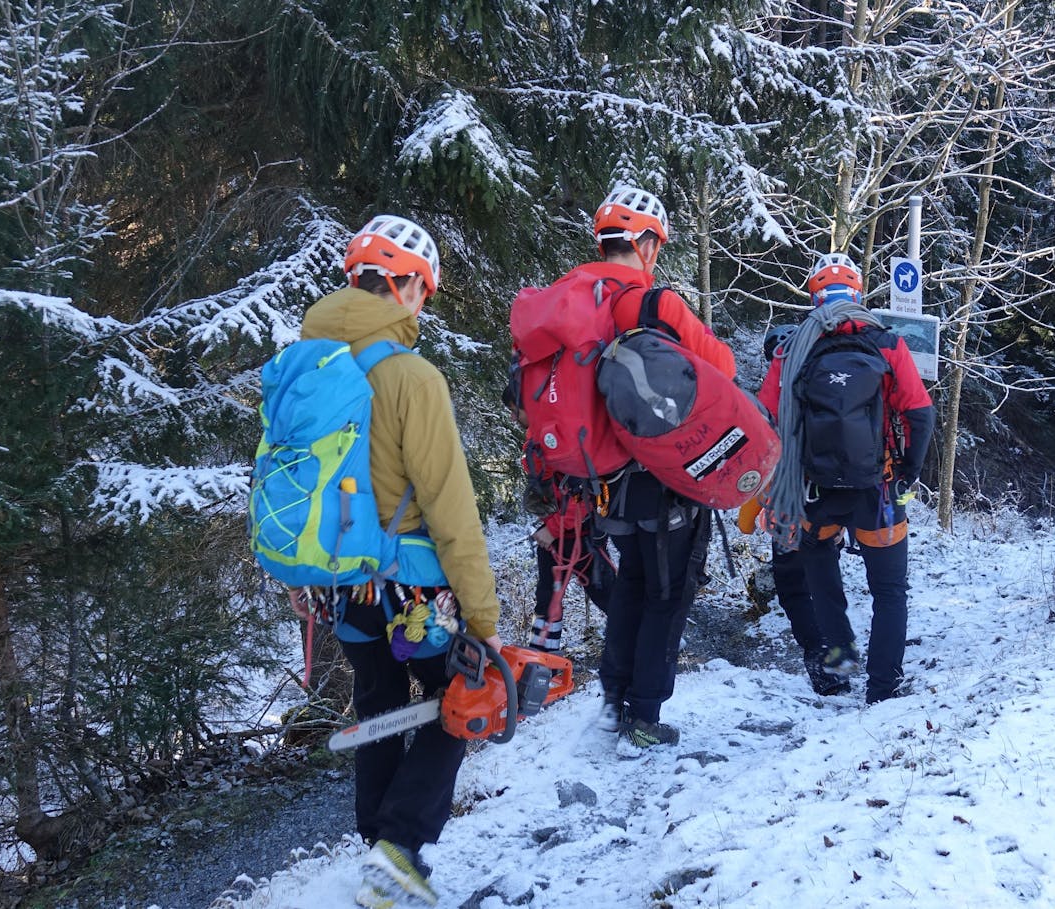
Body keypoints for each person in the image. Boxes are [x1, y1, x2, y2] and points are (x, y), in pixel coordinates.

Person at [300, 214, 503, 909]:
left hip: (341, 587)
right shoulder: (411, 376)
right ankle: (399, 847)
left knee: (380, 701)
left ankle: (378, 847)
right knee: (463, 699)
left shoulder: (304, 365)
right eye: (425, 290)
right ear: (407, 285)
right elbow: (450, 506)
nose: (424, 304)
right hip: (415, 591)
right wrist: (483, 613)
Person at [551, 185, 735, 748]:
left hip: (602, 479)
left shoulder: (571, 303)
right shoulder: (656, 303)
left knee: (632, 579)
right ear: (647, 244)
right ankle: (644, 716)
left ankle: (613, 698)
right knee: (669, 591)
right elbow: (721, 365)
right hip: (663, 476)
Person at [753, 252, 935, 704]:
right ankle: (883, 687)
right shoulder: (887, 344)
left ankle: (839, 660)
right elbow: (921, 414)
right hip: (877, 488)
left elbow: (764, 421)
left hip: (813, 491)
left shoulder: (792, 349)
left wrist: (770, 485)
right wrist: (907, 473)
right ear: (857, 292)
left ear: (814, 294)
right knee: (889, 591)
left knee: (821, 577)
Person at [501, 382, 616, 652]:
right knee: (549, 596)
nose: (512, 418)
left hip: (579, 532)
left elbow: (583, 494)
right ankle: (543, 658)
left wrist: (552, 529)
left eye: (515, 410)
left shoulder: (556, 438)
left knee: (605, 590)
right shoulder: (542, 435)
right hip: (564, 531)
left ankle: (652, 641)